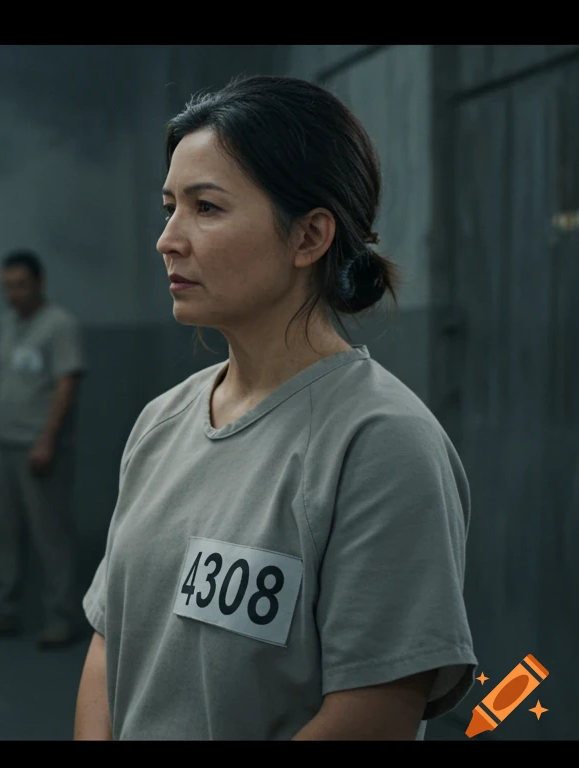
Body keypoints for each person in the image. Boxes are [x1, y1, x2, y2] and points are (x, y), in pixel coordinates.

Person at [73, 74, 478, 740]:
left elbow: (372, 713)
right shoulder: (162, 423)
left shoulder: (379, 444)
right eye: (168, 206)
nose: (168, 238)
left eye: (206, 208)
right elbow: (111, 643)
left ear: (309, 236)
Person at [0, 250, 85, 649]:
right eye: (7, 287)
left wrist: (47, 439)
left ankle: (63, 618)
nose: (12, 294)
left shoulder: (59, 325)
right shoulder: (8, 324)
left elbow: (67, 384)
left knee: (49, 535)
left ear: (39, 283)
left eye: (19, 285)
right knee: (3, 533)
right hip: (4, 444)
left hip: (38, 446)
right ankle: (3, 612)